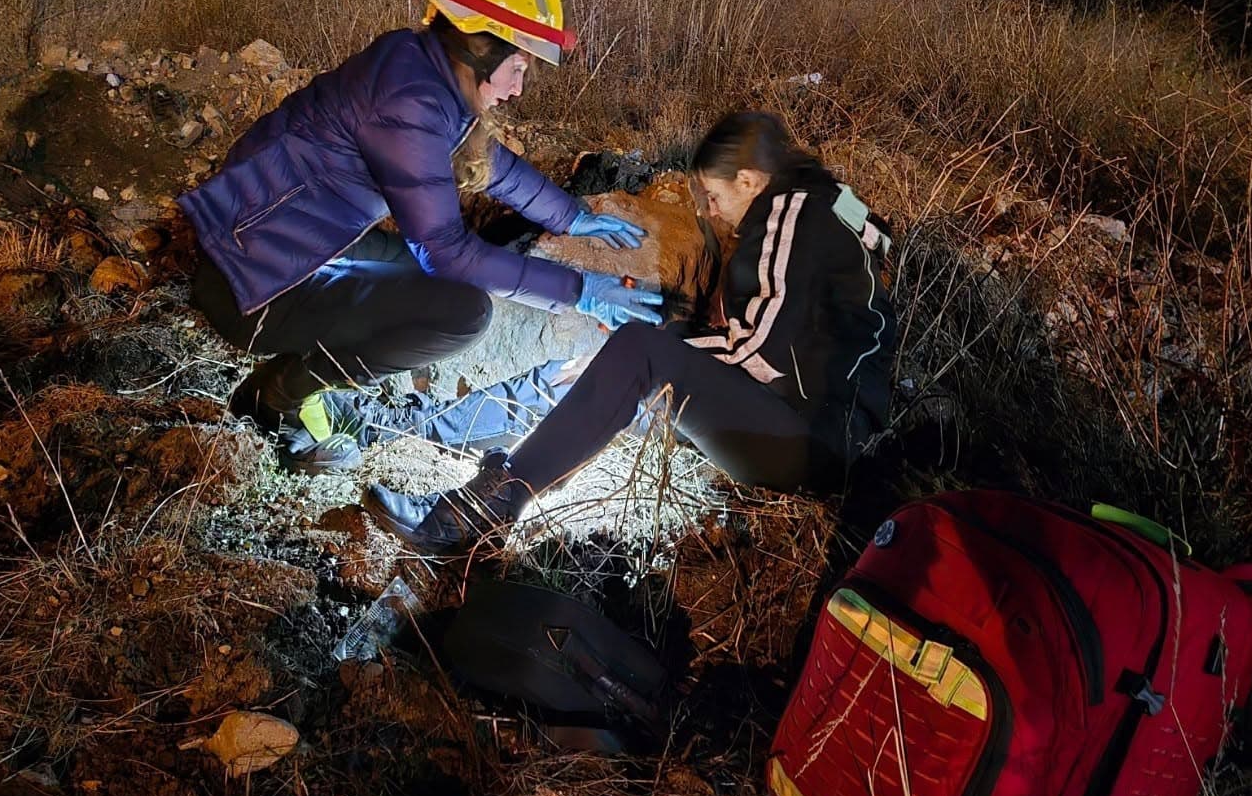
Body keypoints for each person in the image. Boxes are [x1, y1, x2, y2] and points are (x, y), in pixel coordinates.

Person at [179, 0, 664, 472]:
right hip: (252, 285)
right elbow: (444, 251)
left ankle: (305, 371)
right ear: (481, 47)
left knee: (424, 284)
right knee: (461, 312)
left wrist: (571, 217)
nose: (519, 88)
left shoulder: (419, 69)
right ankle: (279, 394)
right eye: (518, 66)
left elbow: (486, 163)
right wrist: (578, 292)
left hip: (275, 244)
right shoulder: (407, 99)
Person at [366, 110, 898, 553]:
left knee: (636, 352)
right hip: (820, 429)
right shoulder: (833, 206)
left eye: (715, 195)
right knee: (599, 376)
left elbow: (767, 351)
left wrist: (661, 349)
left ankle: (484, 511)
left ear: (750, 181)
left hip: (812, 443)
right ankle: (421, 430)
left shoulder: (791, 215)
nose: (711, 212)